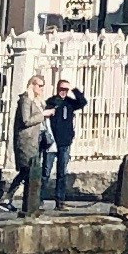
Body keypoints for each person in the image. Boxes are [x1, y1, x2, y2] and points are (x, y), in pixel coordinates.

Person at [42, 71, 86, 205]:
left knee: (62, 173)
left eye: (66, 90)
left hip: (65, 142)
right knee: (46, 172)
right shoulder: (50, 102)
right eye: (62, 89)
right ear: (57, 89)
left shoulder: (69, 102)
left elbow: (83, 102)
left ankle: (60, 200)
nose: (63, 92)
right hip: (51, 143)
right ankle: (39, 199)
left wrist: (73, 89)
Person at [12, 75, 47, 201]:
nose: (42, 89)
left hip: (34, 140)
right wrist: (43, 115)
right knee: (26, 170)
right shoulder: (26, 100)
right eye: (40, 85)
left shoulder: (36, 101)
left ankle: (28, 202)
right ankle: (8, 197)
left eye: (43, 86)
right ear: (32, 85)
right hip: (25, 141)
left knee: (29, 172)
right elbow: (26, 120)